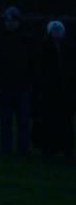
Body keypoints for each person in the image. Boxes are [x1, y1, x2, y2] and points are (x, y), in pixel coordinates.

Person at [0, 6, 32, 156]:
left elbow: (32, 64)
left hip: (23, 87)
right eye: (7, 20)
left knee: (23, 122)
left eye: (13, 20)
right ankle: (6, 149)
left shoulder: (27, 39)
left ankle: (23, 149)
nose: (10, 23)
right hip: (4, 87)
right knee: (5, 122)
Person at [31, 21, 74, 157]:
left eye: (59, 30)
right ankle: (48, 148)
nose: (57, 32)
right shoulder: (43, 47)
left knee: (65, 121)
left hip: (65, 92)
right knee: (48, 121)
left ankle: (66, 148)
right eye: (54, 30)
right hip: (48, 92)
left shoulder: (69, 48)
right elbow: (39, 69)